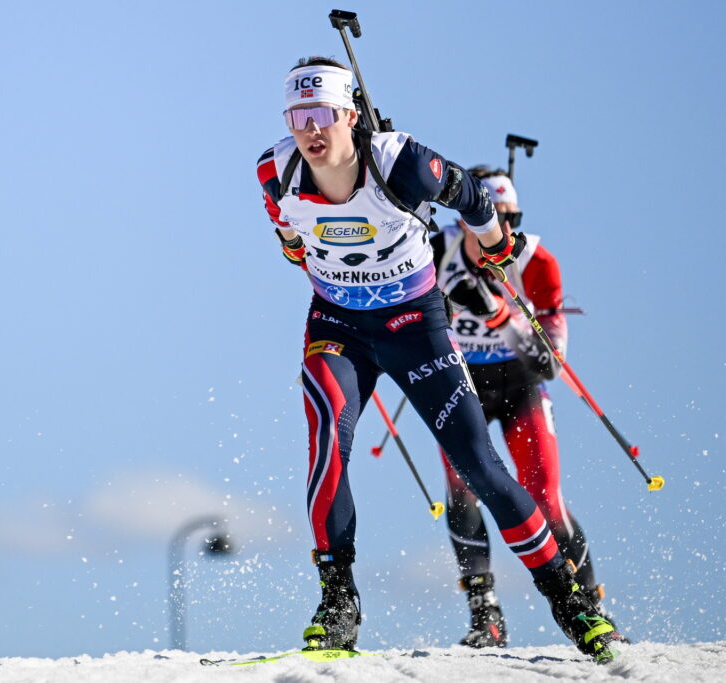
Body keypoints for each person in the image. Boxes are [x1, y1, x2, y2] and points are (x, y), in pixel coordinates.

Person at [256, 56, 622, 663]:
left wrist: (492, 242)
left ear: (350, 113)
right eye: (298, 117)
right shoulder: (276, 167)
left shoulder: (396, 159)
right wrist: (302, 250)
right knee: (327, 444)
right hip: (337, 326)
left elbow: (473, 195)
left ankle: (570, 602)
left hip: (414, 326)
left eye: (321, 114)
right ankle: (338, 601)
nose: (310, 131)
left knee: (478, 465)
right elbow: (288, 234)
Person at [433, 167, 622, 648]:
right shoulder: (438, 251)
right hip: (464, 382)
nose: (502, 231)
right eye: (489, 219)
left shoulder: (536, 261)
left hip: (520, 387)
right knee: (463, 491)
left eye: (511, 219)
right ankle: (485, 615)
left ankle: (592, 609)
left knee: (544, 496)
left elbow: (549, 363)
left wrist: (498, 312)